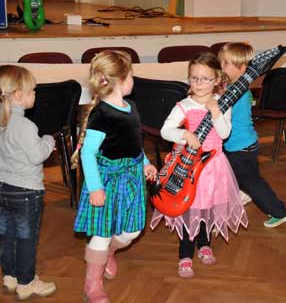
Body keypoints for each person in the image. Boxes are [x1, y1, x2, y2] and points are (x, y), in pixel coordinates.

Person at [150, 52, 248, 278]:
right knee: (189, 208)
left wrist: (215, 110)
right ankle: (185, 255)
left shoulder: (223, 104)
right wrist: (184, 133)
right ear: (189, 79)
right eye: (194, 78)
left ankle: (204, 244)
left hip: (214, 166)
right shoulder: (184, 105)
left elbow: (224, 133)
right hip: (189, 169)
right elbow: (166, 130)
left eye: (205, 79)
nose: (199, 83)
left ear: (217, 80)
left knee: (208, 208)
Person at [71, 50, 157, 302]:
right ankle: (92, 283)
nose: (134, 80)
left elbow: (133, 142)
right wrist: (96, 188)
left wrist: (145, 163)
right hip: (106, 179)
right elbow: (88, 153)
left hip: (131, 176)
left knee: (132, 231)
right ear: (120, 79)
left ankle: (109, 252)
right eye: (131, 74)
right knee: (102, 232)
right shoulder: (102, 114)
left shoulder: (131, 107)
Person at [218, 42, 286, 227]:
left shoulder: (237, 94)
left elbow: (223, 115)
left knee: (251, 181)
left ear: (242, 68)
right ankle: (244, 191)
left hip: (239, 147)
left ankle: (278, 211)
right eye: (221, 62)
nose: (221, 67)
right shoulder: (238, 88)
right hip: (245, 144)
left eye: (226, 63)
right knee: (249, 177)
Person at [0, 65, 57, 300]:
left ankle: (10, 276)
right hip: (26, 191)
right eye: (32, 91)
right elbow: (37, 156)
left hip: (2, 187)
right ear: (18, 95)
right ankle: (27, 283)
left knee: (6, 235)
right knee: (26, 239)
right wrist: (48, 139)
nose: (35, 94)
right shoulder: (24, 125)